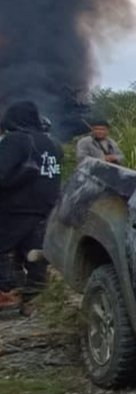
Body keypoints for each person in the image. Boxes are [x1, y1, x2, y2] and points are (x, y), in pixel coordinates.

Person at [0, 101, 63, 314]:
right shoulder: (52, 143)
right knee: (34, 254)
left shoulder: (15, 140)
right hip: (46, 207)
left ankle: (7, 293)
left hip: (16, 206)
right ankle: (34, 300)